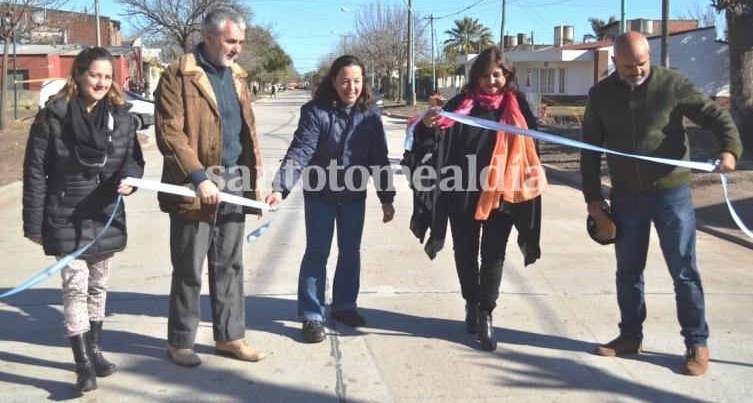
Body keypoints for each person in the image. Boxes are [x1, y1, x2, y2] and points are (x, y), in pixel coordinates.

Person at [580, 31, 742, 376]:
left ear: (648, 58)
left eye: (641, 63)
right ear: (614, 63)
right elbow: (590, 150)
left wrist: (729, 148)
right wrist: (593, 199)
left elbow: (714, 115)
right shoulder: (600, 95)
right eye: (627, 66)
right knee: (628, 272)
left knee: (684, 272)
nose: (636, 70)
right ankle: (630, 336)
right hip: (624, 196)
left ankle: (696, 342)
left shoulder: (672, 84)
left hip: (672, 195)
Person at [402, 46, 546, 351]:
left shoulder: (517, 105)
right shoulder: (460, 104)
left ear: (507, 75)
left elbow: (532, 147)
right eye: (485, 75)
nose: (491, 81)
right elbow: (432, 142)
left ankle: (485, 313)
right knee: (465, 252)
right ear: (475, 77)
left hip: (503, 192)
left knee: (494, 253)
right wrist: (427, 126)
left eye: (497, 75)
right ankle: (471, 300)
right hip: (461, 190)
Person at [22, 47, 145, 393]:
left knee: (98, 287)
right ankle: (83, 364)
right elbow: (34, 174)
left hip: (105, 214)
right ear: (78, 75)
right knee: (75, 288)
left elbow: (133, 160)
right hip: (65, 216)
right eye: (95, 75)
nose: (102, 83)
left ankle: (96, 350)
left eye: (107, 77)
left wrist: (130, 180)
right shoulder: (52, 119)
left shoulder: (120, 117)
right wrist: (35, 226)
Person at [154, 7, 265, 367]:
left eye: (240, 43)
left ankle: (230, 337)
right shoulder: (177, 76)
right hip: (193, 186)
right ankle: (180, 342)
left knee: (229, 265)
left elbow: (247, 132)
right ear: (209, 37)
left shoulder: (238, 78)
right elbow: (170, 133)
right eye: (232, 41)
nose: (237, 49)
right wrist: (199, 177)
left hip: (234, 182)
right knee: (189, 267)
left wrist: (255, 179)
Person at [264, 55, 395, 343]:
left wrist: (387, 196)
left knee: (351, 251)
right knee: (317, 252)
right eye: (345, 81)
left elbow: (378, 157)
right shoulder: (315, 112)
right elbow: (301, 151)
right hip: (320, 195)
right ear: (333, 82)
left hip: (353, 196)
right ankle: (312, 315)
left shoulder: (370, 114)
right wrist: (280, 187)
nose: (351, 87)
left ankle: (345, 306)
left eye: (357, 81)